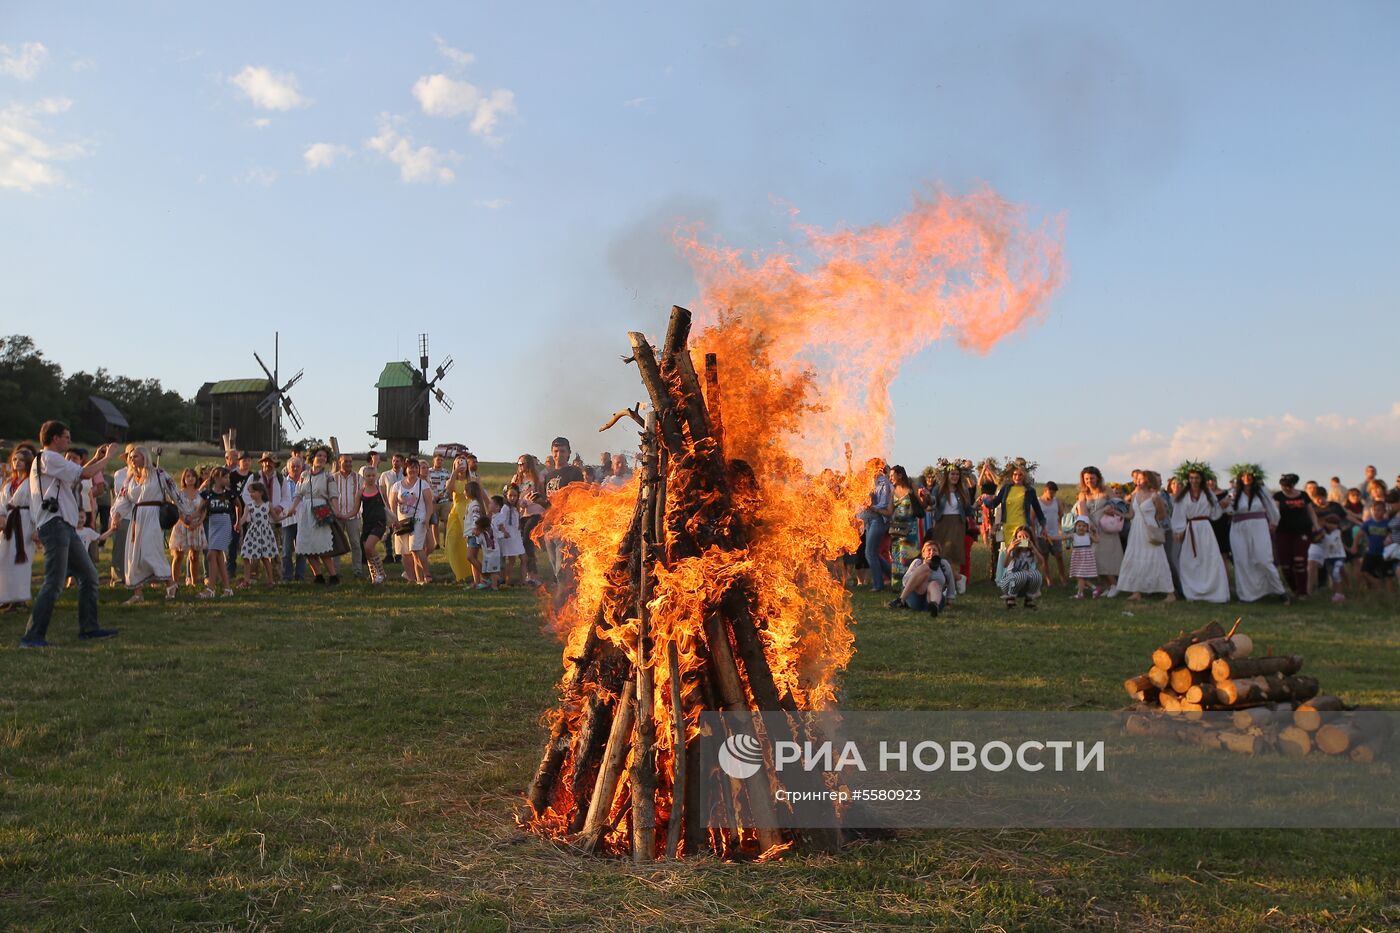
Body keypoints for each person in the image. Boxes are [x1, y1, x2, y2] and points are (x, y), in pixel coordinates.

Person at [21, 422, 120, 647]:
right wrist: (109, 457)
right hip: (56, 526)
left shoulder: (46, 460)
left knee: (89, 576)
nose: (69, 441)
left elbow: (79, 474)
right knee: (54, 583)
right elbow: (85, 473)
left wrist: (95, 458)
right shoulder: (50, 457)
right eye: (66, 437)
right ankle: (33, 636)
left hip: (63, 526)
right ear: (55, 438)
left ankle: (89, 628)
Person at [109, 446, 179, 604]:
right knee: (134, 554)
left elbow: (174, 491)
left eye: (136, 456)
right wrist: (116, 515)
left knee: (151, 551)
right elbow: (122, 499)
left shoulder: (158, 474)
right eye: (131, 457)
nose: (132, 459)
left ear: (145, 457)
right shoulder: (130, 478)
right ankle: (137, 593)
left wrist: (186, 511)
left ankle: (170, 584)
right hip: (137, 518)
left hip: (153, 516)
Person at [1224, 464, 1288, 603]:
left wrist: (1274, 523)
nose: (1247, 478)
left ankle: (1279, 591)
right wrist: (1226, 503)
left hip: (1259, 527)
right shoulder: (1234, 492)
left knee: (1263, 559)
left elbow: (1272, 508)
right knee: (1242, 561)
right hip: (1238, 528)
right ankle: (1246, 596)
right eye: (1244, 475)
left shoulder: (1261, 491)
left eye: (1249, 475)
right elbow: (1227, 510)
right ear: (1240, 478)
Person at [1170, 465, 1230, 603]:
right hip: (1191, 528)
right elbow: (1178, 513)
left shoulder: (1208, 493)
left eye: (1197, 478)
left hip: (1205, 528)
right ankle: (1193, 592)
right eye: (1191, 478)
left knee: (1209, 559)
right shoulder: (1184, 495)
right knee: (1190, 560)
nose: (1194, 480)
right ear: (1188, 479)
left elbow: (1215, 513)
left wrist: (1222, 506)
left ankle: (1214, 592)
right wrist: (1178, 530)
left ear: (1201, 479)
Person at [1116, 470, 1176, 602]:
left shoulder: (1155, 496)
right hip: (1136, 530)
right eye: (1137, 479)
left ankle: (1170, 593)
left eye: (1141, 479)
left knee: (1156, 558)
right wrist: (1117, 513)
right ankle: (1136, 591)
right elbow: (1131, 514)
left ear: (1148, 480)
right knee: (1135, 557)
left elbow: (1162, 514)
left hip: (1149, 528)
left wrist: (1151, 520)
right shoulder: (1135, 495)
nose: (1138, 481)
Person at [538, 436, 587, 589]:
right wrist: (539, 502)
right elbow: (549, 503)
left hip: (565, 526)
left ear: (569, 453)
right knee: (556, 570)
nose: (558, 455)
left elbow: (577, 499)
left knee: (563, 570)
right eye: (556, 451)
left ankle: (565, 602)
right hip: (550, 526)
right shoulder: (550, 475)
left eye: (562, 451)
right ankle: (563, 602)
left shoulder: (574, 472)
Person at [289, 447, 341, 585]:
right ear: (312, 457)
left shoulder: (328, 476)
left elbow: (333, 495)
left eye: (324, 456)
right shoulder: (304, 475)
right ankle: (318, 576)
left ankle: (333, 576)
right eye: (319, 455)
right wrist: (292, 508)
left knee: (322, 545)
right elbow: (298, 494)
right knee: (306, 546)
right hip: (305, 512)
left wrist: (336, 510)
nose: (322, 458)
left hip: (321, 509)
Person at [1076, 466, 1124, 596]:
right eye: (1086, 478)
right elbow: (1082, 511)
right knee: (1095, 559)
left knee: (1107, 558)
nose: (1089, 480)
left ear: (1097, 478)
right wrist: (1089, 525)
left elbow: (1119, 504)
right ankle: (1109, 586)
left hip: (1106, 528)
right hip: (1093, 529)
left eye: (1091, 478)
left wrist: (1110, 506)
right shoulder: (1083, 494)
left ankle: (1114, 585)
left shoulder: (1106, 490)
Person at [0, 444, 37, 611]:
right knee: (5, 559)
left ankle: (19, 599)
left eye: (22, 460)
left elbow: (36, 505)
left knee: (21, 560)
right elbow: (2, 502)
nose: (17, 462)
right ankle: (6, 596)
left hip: (25, 521)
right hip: (9, 522)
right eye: (15, 459)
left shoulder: (32, 482)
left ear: (28, 462)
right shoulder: (9, 482)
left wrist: (37, 527)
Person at [1273, 473, 1319, 596]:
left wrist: (1316, 526)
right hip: (1283, 532)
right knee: (1285, 565)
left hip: (1302, 531)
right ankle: (1294, 589)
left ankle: (1303, 592)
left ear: (1293, 485)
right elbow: (1275, 512)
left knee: (1299, 561)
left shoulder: (1303, 495)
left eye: (1288, 486)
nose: (1285, 488)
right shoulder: (1278, 496)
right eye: (1283, 486)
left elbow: (1311, 512)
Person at [389, 457, 433, 584]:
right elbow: (393, 505)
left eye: (415, 467)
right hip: (402, 521)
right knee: (405, 551)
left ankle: (427, 574)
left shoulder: (423, 484)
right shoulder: (397, 486)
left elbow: (429, 504)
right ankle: (413, 578)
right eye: (411, 467)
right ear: (405, 469)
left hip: (419, 519)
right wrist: (394, 520)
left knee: (416, 547)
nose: (413, 470)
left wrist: (427, 518)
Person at [928, 464, 971, 593]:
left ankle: (950, 583)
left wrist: (977, 505)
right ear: (947, 475)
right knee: (941, 553)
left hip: (957, 523)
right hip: (942, 523)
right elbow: (932, 501)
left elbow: (968, 509)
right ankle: (957, 579)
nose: (955, 477)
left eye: (957, 474)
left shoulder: (963, 490)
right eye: (952, 474)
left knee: (953, 553)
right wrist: (926, 496)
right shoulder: (938, 489)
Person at [889, 539, 955, 617]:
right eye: (929, 550)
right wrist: (923, 568)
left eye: (935, 550)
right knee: (925, 569)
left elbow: (951, 582)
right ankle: (901, 600)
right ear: (923, 553)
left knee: (934, 584)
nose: (932, 552)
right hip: (917, 597)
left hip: (934, 596)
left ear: (939, 554)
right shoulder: (917, 562)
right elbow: (905, 582)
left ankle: (934, 606)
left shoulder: (943, 564)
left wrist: (949, 601)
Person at [200, 467, 238, 598]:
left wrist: (238, 521)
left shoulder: (230, 494)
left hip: (224, 522)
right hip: (213, 523)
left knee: (211, 554)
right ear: (216, 478)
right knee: (218, 557)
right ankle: (227, 588)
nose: (228, 480)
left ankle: (211, 588)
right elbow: (201, 508)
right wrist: (194, 518)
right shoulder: (208, 494)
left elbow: (238, 505)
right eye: (225, 477)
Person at [169, 467, 207, 592]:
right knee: (178, 555)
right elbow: (176, 510)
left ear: (196, 479)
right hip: (182, 525)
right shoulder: (179, 494)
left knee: (194, 555)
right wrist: (185, 523)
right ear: (184, 479)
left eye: (192, 476)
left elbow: (203, 510)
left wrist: (199, 523)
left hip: (196, 526)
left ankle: (194, 582)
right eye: (188, 476)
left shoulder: (200, 494)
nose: (190, 479)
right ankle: (174, 582)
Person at [237, 481, 280, 587]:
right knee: (247, 556)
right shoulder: (249, 506)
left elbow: (276, 518)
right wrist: (237, 524)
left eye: (253, 492)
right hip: (253, 533)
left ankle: (270, 581)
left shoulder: (267, 505)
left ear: (260, 492)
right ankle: (246, 580)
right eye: (250, 492)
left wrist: (287, 515)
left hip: (265, 533)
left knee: (265, 557)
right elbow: (243, 518)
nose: (251, 495)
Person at [860, 459, 894, 592]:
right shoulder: (870, 482)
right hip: (869, 519)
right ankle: (894, 576)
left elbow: (884, 504)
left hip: (878, 519)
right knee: (872, 553)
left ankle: (878, 584)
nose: (867, 470)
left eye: (870, 468)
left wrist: (871, 506)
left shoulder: (883, 482)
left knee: (870, 553)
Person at [513, 454, 546, 585]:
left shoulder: (538, 477)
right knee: (524, 543)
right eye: (518, 464)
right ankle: (529, 573)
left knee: (527, 539)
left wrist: (537, 500)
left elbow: (542, 494)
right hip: (523, 513)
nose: (520, 467)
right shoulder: (516, 479)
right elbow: (512, 494)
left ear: (529, 464)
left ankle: (534, 575)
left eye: (523, 464)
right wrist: (519, 502)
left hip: (536, 512)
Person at [888, 465, 924, 580]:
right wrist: (874, 508)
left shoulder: (911, 487)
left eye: (892, 475)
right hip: (896, 528)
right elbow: (889, 511)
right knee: (896, 556)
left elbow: (922, 504)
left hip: (910, 528)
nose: (891, 478)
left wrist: (924, 497)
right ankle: (897, 585)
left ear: (900, 475)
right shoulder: (893, 491)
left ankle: (910, 582)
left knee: (908, 556)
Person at [332, 454, 364, 578]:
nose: (348, 464)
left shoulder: (359, 478)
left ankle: (357, 570)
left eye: (350, 462)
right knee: (337, 543)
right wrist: (336, 512)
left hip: (353, 517)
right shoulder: (333, 478)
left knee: (355, 543)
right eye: (345, 461)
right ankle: (335, 571)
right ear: (340, 462)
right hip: (337, 515)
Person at [443, 457, 474, 583]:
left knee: (469, 543)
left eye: (463, 463)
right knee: (453, 541)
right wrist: (455, 473)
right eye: (458, 463)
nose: (461, 465)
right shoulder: (451, 480)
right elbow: (449, 492)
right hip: (456, 513)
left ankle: (474, 572)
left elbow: (476, 493)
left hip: (469, 512)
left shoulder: (472, 480)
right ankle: (458, 573)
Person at [999, 527, 1043, 610]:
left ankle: (1029, 599)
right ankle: (1010, 598)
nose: (1023, 539)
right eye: (1020, 537)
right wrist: (1009, 550)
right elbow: (1004, 565)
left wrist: (1033, 548)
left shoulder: (1031, 551)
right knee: (1022, 574)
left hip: (1023, 583)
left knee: (1037, 575)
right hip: (1008, 583)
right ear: (1016, 538)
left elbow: (1042, 562)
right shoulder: (1013, 550)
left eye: (1026, 536)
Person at [358, 464, 388, 585]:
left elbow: (387, 504)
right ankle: (374, 575)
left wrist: (394, 519)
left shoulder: (380, 489)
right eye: (368, 476)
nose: (370, 478)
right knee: (367, 551)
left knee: (369, 547)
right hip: (367, 523)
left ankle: (381, 573)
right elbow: (355, 510)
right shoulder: (361, 491)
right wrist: (343, 515)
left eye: (373, 475)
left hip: (379, 522)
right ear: (363, 477)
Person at [279, 459, 307, 583]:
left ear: (302, 468)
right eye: (293, 466)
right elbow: (279, 500)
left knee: (301, 549)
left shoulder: (305, 483)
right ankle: (287, 576)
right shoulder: (283, 483)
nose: (295, 469)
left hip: (303, 519)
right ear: (288, 468)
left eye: (298, 466)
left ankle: (300, 575)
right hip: (287, 519)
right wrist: (288, 510)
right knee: (286, 550)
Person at [492, 488, 526, 586]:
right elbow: (500, 521)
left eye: (515, 496)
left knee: (523, 558)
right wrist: (504, 531)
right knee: (512, 560)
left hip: (516, 536)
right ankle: (507, 580)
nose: (512, 498)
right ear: (506, 496)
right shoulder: (506, 508)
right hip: (510, 537)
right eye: (510, 496)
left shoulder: (514, 507)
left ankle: (521, 580)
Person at [463, 480, 492, 588]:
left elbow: (476, 518)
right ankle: (477, 581)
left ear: (470, 491)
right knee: (473, 557)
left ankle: (487, 577)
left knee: (470, 557)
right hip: (470, 535)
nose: (464, 492)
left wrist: (476, 529)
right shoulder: (472, 503)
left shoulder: (474, 505)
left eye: (465, 490)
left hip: (473, 535)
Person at [1038, 481, 1068, 587]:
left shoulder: (1057, 502)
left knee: (1059, 556)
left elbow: (1060, 515)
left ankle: (1062, 577)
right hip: (1042, 535)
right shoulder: (1038, 502)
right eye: (1050, 493)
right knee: (1044, 557)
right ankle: (1048, 579)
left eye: (1054, 493)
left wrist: (1060, 529)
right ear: (1045, 491)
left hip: (1055, 534)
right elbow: (1033, 517)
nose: (1052, 495)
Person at [378, 454, 405, 565]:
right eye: (394, 460)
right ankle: (389, 554)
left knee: (400, 531)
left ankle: (399, 555)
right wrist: (386, 504)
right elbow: (382, 490)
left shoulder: (405, 474)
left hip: (403, 508)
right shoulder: (385, 475)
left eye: (398, 461)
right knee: (388, 532)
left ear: (402, 462)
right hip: (388, 506)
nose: (395, 463)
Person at [1068, 515, 1100, 599]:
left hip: (1086, 559)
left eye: (1084, 526)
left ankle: (1080, 594)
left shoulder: (1088, 535)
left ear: (1087, 527)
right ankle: (1094, 588)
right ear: (1075, 526)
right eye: (1079, 525)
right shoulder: (1073, 535)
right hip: (1077, 558)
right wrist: (1050, 537)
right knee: (1080, 577)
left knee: (1080, 576)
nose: (1081, 528)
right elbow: (1061, 537)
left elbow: (1097, 541)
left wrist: (1095, 532)